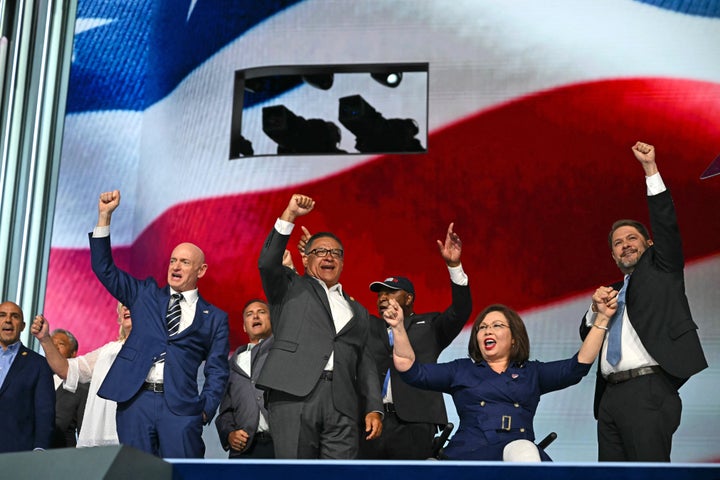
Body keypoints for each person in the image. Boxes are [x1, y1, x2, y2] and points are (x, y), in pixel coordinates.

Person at [579, 141, 707, 462]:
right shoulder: (610, 292)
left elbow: (666, 224)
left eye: (632, 238)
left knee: (648, 476)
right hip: (608, 396)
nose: (625, 245)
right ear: (612, 255)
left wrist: (650, 169)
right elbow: (587, 336)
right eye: (618, 243)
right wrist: (595, 311)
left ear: (650, 244)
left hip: (648, 390)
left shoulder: (662, 270)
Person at [89, 189, 229, 458]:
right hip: (136, 402)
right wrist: (104, 217)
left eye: (185, 262)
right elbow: (104, 268)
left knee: (181, 474)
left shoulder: (216, 318)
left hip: (181, 409)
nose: (176, 266)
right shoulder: (145, 294)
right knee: (136, 475)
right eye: (173, 260)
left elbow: (218, 370)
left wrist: (205, 409)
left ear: (201, 271)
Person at [384, 298, 614, 461]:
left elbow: (578, 366)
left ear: (514, 338)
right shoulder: (460, 370)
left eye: (496, 325)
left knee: (523, 450)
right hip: (469, 453)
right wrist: (399, 329)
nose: (487, 331)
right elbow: (410, 369)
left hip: (516, 451)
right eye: (482, 327)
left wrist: (602, 318)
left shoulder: (532, 373)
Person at [256, 193, 382, 459]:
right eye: (320, 251)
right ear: (305, 259)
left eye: (336, 253)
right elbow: (267, 262)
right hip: (294, 395)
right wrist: (289, 215)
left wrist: (373, 407)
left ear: (343, 262)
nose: (329, 256)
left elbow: (366, 363)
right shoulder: (290, 287)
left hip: (343, 404)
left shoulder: (357, 309)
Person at [360, 223, 472, 459]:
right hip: (371, 418)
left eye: (390, 292)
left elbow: (461, 311)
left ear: (409, 298)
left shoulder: (430, 325)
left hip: (416, 420)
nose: (383, 297)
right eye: (380, 294)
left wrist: (454, 267)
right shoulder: (366, 325)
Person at [31, 303, 132, 447]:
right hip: (100, 443)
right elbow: (66, 369)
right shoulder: (107, 352)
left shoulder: (157, 349)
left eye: (131, 304)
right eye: (123, 305)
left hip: (135, 440)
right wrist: (45, 339)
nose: (126, 308)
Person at [215, 299, 274, 458]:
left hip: (281, 447)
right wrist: (229, 434)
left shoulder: (282, 355)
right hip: (245, 450)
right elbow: (225, 412)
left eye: (261, 312)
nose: (255, 316)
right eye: (249, 314)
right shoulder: (230, 365)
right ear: (244, 326)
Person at [0, 301, 55, 453]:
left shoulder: (38, 364)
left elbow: (45, 413)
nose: (8, 320)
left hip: (16, 455)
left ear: (23, 326)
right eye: (2, 315)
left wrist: (39, 450)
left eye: (14, 316)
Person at [48, 328, 89, 448]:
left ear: (73, 353)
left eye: (60, 344)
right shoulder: (35, 377)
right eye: (51, 344)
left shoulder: (82, 386)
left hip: (62, 454)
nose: (54, 348)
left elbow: (84, 432)